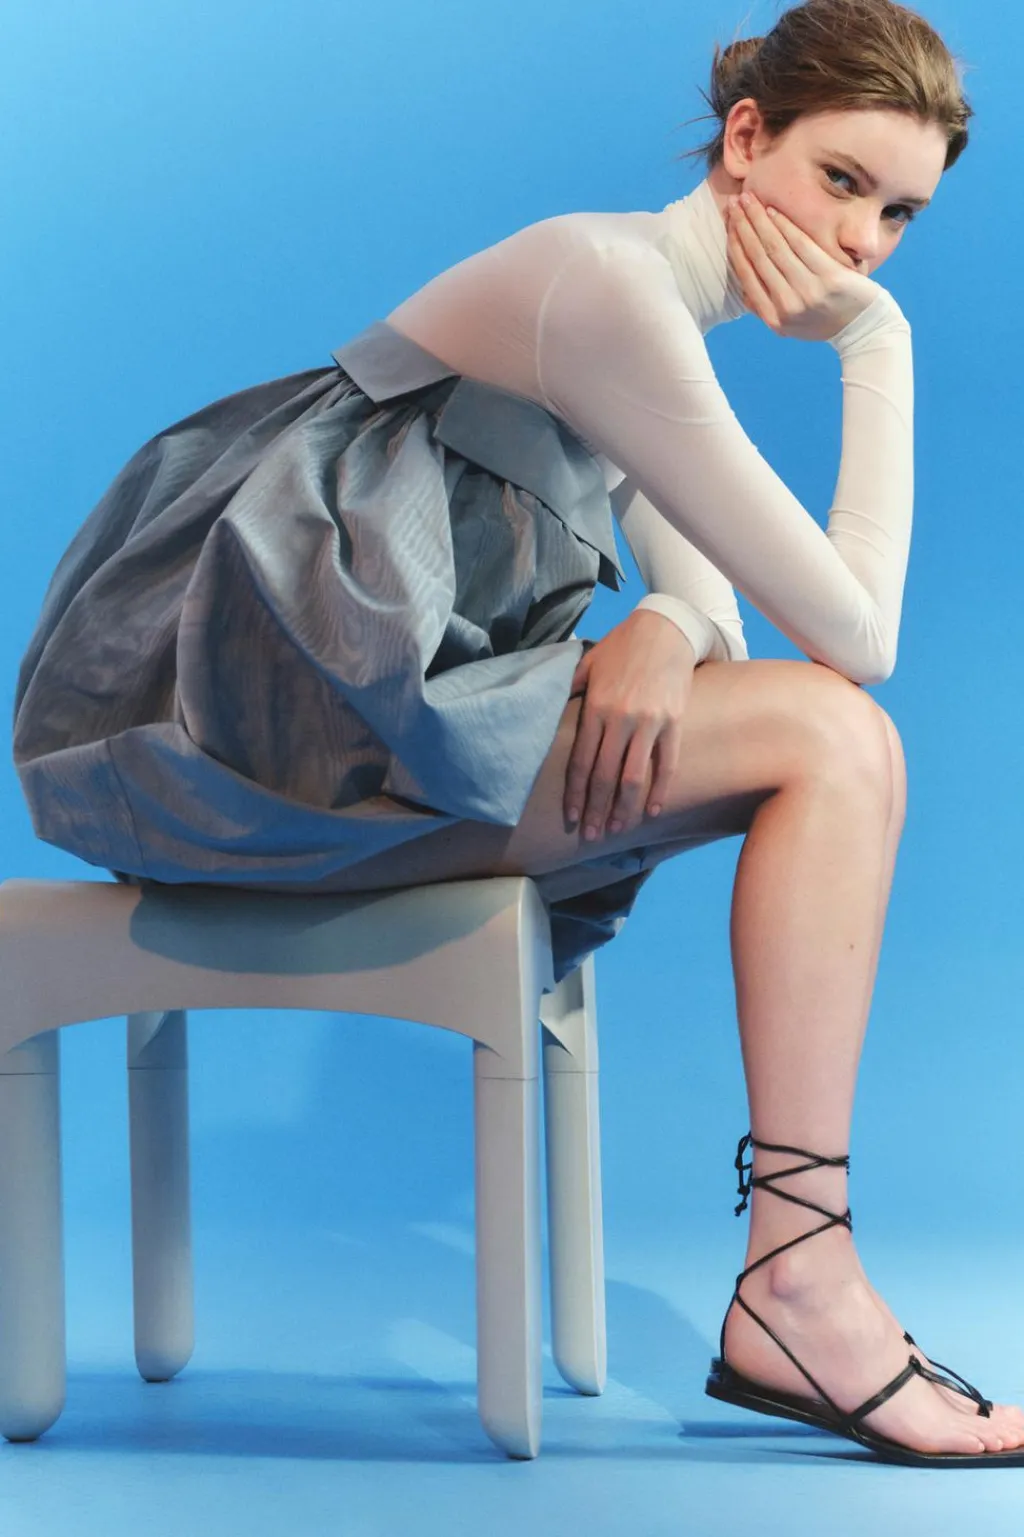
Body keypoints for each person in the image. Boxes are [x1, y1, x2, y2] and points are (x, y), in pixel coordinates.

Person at [11, 0, 1023, 1465]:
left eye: (900, 216)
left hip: (350, 739)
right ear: (747, 139)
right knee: (836, 736)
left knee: (836, 742)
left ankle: (800, 1274)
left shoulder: (642, 318)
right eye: (843, 182)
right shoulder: (602, 287)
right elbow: (858, 638)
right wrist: (880, 344)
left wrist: (669, 623)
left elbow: (726, 615)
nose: (862, 243)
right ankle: (801, 1278)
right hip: (236, 740)